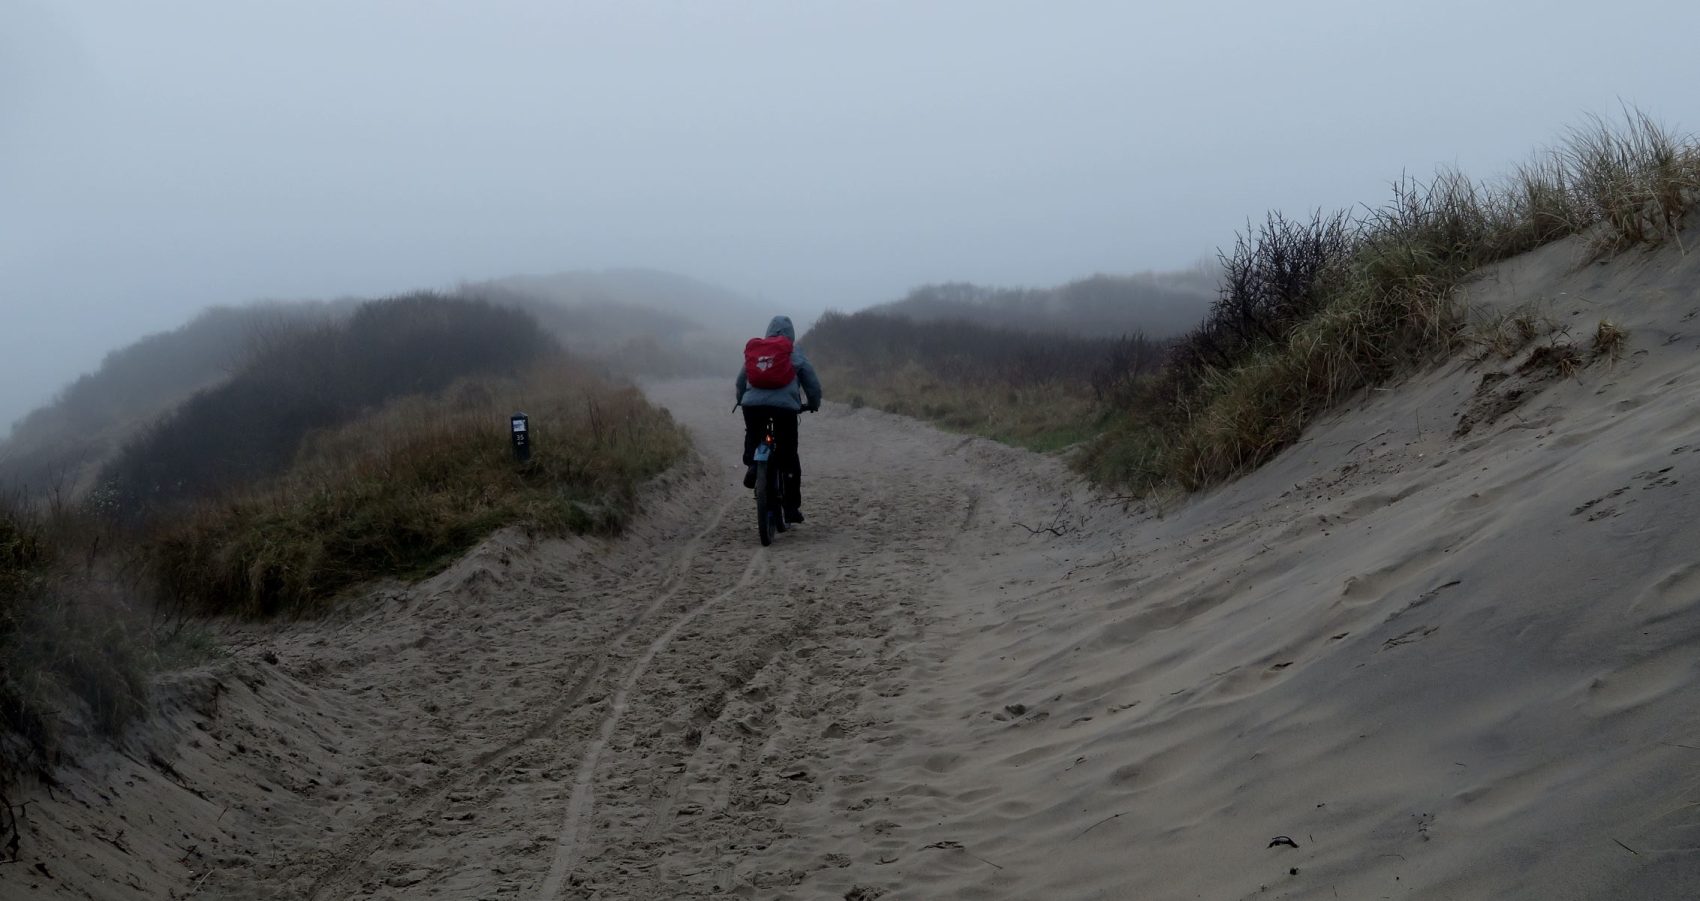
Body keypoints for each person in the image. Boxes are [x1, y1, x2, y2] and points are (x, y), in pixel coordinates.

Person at [735, 315, 822, 522]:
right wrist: (813, 404)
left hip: (753, 406)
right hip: (784, 409)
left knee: (754, 434)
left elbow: (741, 380)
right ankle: (790, 508)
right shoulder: (794, 352)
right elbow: (812, 383)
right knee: (789, 454)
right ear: (791, 334)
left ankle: (753, 465)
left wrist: (741, 400)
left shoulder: (759, 351)